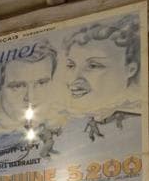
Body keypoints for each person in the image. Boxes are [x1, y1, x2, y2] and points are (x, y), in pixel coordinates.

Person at [61, 19, 143, 147]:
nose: (75, 78)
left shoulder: (137, 121)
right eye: (71, 65)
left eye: (93, 66)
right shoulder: (68, 124)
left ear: (130, 70)